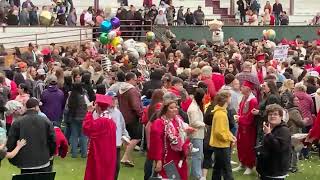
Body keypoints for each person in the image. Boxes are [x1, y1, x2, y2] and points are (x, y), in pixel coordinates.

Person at [6, 98, 56, 174]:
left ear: (26, 107)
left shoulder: (18, 122)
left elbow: (11, 142)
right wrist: (50, 154)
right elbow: (53, 140)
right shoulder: (45, 121)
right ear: (36, 107)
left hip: (27, 161)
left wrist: (14, 158)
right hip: (42, 159)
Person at [148, 100, 192, 180]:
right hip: (167, 160)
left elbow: (184, 139)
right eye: (171, 108)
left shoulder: (179, 121)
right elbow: (156, 143)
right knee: (171, 178)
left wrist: (187, 141)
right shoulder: (159, 123)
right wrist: (158, 160)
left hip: (179, 158)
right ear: (165, 110)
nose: (174, 109)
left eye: (175, 107)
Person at [83, 94, 117, 180]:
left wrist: (89, 112)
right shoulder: (111, 121)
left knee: (97, 174)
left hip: (99, 153)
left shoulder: (102, 121)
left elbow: (87, 128)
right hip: (109, 154)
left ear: (98, 106)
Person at [256, 104, 291, 180]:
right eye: (270, 114)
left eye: (275, 114)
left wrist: (268, 134)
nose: (272, 116)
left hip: (275, 171)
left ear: (281, 117)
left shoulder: (284, 130)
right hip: (266, 170)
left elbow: (279, 148)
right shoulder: (269, 128)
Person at [233, 81, 258, 175]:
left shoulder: (253, 100)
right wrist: (238, 116)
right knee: (241, 145)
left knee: (248, 146)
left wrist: (240, 118)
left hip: (249, 128)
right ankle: (242, 163)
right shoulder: (244, 97)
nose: (241, 88)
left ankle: (249, 165)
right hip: (242, 125)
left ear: (248, 89)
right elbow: (240, 109)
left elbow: (250, 116)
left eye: (243, 86)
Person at [209, 91, 235, 180]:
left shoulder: (221, 112)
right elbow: (219, 132)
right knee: (226, 169)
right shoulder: (221, 114)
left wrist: (230, 135)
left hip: (219, 145)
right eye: (230, 97)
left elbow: (223, 129)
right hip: (222, 145)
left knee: (218, 168)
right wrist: (229, 138)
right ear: (227, 99)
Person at [118, 72, 143, 167]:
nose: (136, 81)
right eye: (135, 79)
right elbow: (136, 106)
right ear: (131, 79)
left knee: (127, 138)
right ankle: (125, 157)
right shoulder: (132, 91)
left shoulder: (120, 89)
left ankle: (127, 158)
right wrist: (141, 114)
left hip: (123, 116)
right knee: (137, 137)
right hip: (132, 117)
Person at [105, 91, 130, 180]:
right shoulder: (103, 112)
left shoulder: (118, 112)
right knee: (106, 167)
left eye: (115, 99)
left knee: (116, 167)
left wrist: (126, 137)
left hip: (116, 145)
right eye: (112, 99)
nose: (114, 101)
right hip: (106, 145)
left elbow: (123, 127)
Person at [65, 83, 88, 158]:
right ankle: (84, 153)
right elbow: (87, 106)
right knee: (83, 136)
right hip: (83, 118)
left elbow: (67, 107)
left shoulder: (71, 97)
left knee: (74, 135)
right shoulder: (83, 97)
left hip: (73, 118)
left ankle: (74, 153)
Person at [187, 88, 205, 179]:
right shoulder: (193, 109)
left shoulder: (195, 106)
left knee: (198, 155)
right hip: (195, 134)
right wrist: (204, 124)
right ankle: (197, 174)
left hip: (198, 134)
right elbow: (194, 122)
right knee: (197, 155)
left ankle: (194, 172)